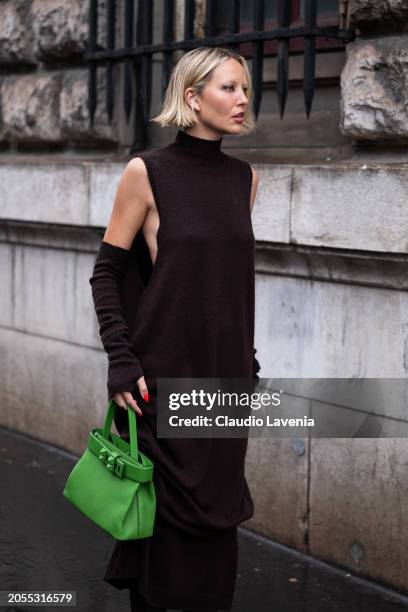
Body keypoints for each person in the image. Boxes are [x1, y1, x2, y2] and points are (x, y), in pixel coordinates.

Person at [89, 46, 261, 612]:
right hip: (161, 381)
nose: (243, 100)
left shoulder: (245, 179)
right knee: (166, 544)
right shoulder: (147, 171)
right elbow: (108, 272)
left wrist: (248, 363)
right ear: (192, 98)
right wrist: (121, 359)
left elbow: (228, 281)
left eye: (244, 89)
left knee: (217, 537)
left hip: (225, 385)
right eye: (229, 88)